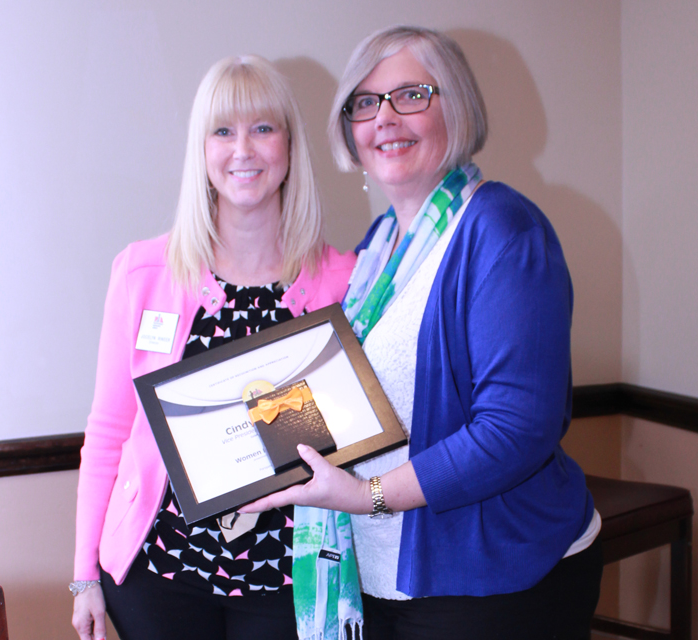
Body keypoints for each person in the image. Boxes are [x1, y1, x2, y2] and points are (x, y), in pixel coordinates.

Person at [241, 26, 603, 639]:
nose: (384, 117)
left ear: (455, 107)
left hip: (491, 577)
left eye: (411, 94)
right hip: (382, 575)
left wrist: (365, 496)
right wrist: (246, 447)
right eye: (365, 102)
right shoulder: (381, 247)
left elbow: (516, 428)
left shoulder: (501, 229)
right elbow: (355, 394)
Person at [71, 55, 357, 640]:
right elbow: (106, 435)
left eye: (262, 128)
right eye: (222, 131)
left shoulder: (344, 280)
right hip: (157, 579)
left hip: (288, 581)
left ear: (290, 146)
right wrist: (84, 580)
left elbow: (357, 435)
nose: (242, 150)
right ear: (201, 151)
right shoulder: (143, 273)